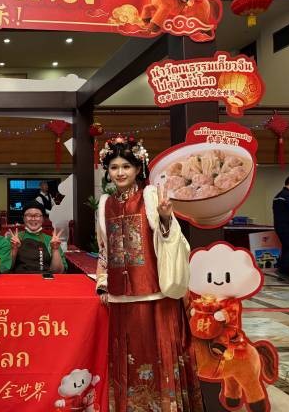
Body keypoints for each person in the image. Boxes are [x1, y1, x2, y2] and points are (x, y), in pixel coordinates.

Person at [95, 137, 203, 411]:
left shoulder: (150, 197)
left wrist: (166, 218)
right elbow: (104, 249)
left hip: (155, 295)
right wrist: (103, 283)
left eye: (126, 167)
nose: (120, 173)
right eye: (114, 167)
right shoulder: (105, 204)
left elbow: (173, 241)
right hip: (121, 298)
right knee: (127, 358)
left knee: (157, 355)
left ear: (138, 168)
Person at [10, 202, 66, 273]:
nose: (33, 219)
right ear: (23, 218)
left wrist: (55, 249)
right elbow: (6, 269)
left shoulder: (52, 240)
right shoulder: (13, 239)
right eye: (29, 215)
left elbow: (58, 271)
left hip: (44, 279)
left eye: (37, 215)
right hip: (19, 279)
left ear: (43, 219)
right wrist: (14, 249)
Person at [272, 175, 289, 281]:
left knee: (287, 248)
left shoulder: (278, 196)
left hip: (280, 227)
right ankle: (282, 270)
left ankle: (284, 275)